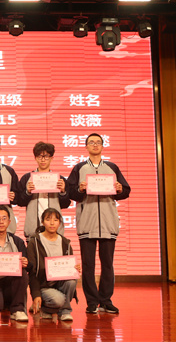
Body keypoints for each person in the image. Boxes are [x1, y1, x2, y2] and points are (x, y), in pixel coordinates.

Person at [67, 133, 130, 314]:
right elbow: (70, 192)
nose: (95, 145)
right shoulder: (79, 168)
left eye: (98, 142)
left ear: (103, 146)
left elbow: (126, 190)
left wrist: (119, 189)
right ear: (86, 146)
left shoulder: (112, 167)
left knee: (108, 264)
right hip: (87, 223)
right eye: (91, 142)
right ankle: (92, 302)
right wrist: (80, 189)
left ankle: (106, 300)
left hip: (108, 223)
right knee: (88, 265)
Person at [28, 208, 80, 321]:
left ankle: (65, 311)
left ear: (60, 223)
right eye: (48, 219)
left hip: (60, 283)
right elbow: (32, 271)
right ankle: (46, 308)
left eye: (55, 220)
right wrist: (36, 294)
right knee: (58, 300)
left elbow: (69, 267)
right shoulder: (34, 242)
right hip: (44, 285)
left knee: (72, 281)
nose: (52, 223)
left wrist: (74, 268)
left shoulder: (65, 242)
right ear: (42, 222)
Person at [18, 141, 71, 239]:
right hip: (33, 229)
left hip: (54, 231)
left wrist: (63, 192)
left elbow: (65, 204)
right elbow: (20, 201)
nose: (43, 160)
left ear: (51, 158)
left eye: (46, 156)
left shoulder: (60, 179)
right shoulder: (27, 178)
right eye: (39, 156)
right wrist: (27, 192)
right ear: (35, 158)